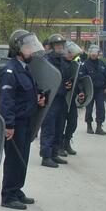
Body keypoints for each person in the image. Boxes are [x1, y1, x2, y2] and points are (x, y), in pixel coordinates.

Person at [0, 30, 46, 210]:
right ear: (18, 49)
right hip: (15, 124)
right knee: (13, 159)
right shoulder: (10, 71)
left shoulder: (25, 69)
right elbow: (6, 101)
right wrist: (8, 125)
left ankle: (17, 190)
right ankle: (8, 195)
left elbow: (28, 93)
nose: (32, 51)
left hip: (26, 122)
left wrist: (39, 98)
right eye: (28, 48)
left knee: (22, 158)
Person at [39, 34, 72, 168]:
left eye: (61, 45)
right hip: (50, 99)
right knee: (49, 127)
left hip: (61, 98)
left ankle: (54, 153)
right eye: (57, 45)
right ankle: (46, 156)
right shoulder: (46, 60)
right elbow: (42, 79)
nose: (60, 47)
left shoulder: (63, 61)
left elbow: (65, 78)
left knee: (59, 127)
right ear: (52, 46)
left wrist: (68, 84)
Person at [59, 41, 85, 156]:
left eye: (72, 53)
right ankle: (59, 145)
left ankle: (67, 142)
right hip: (62, 99)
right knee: (60, 124)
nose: (71, 54)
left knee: (73, 122)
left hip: (72, 99)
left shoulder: (74, 64)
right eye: (69, 52)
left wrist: (80, 92)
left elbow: (77, 81)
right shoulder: (60, 64)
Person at [81, 45, 106, 135]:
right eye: (92, 53)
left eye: (95, 53)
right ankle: (89, 126)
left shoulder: (102, 63)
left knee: (101, 108)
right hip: (90, 90)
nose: (94, 54)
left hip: (100, 89)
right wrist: (83, 90)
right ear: (89, 53)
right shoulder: (85, 64)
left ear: (98, 54)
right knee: (89, 108)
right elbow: (82, 79)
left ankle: (99, 127)